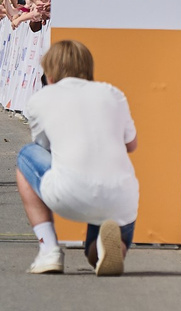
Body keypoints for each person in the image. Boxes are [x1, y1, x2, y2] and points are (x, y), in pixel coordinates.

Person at [11, 37, 139, 277]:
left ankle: (49, 250)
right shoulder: (112, 93)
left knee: (26, 155)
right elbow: (131, 145)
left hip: (71, 193)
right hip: (121, 198)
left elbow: (43, 148)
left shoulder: (41, 98)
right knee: (98, 239)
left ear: (50, 74)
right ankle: (108, 248)